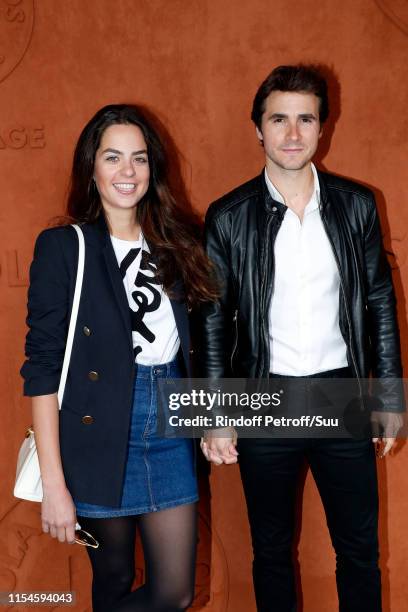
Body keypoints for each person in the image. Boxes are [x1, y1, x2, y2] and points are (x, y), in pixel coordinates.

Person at [199, 65, 404, 611]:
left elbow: (380, 301)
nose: (292, 134)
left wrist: (386, 398)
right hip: (266, 397)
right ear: (258, 130)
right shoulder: (227, 216)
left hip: (341, 393)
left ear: (321, 128)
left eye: (305, 119)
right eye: (279, 119)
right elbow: (214, 321)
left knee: (359, 549)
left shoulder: (356, 205)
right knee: (270, 551)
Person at [21, 104, 218, 612]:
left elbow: (205, 342)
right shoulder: (65, 246)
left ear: (154, 169)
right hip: (100, 430)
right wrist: (55, 485)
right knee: (113, 579)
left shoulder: (178, 242)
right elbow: (42, 370)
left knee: (173, 593)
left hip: (173, 425)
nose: (127, 172)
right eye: (113, 158)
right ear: (92, 167)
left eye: (139, 159)